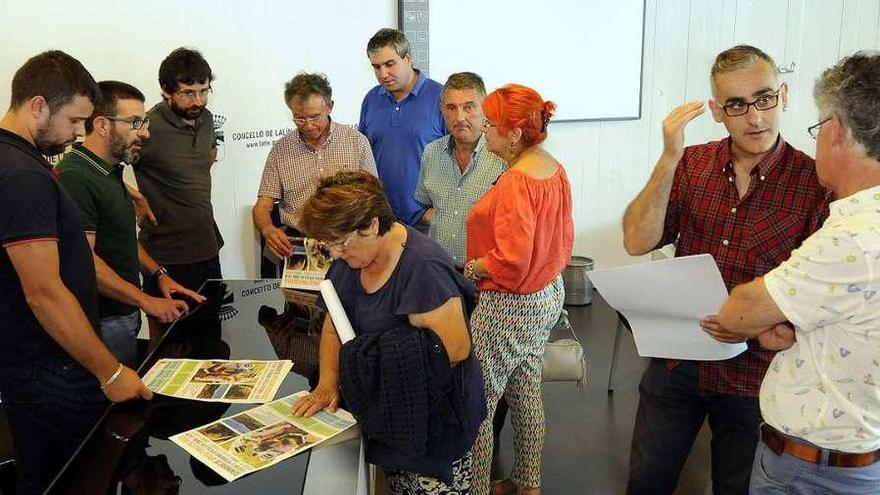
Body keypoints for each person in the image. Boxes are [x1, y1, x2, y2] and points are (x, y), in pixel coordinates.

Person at [621, 45, 830, 494]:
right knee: (646, 482)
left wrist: (772, 327)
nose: (755, 117)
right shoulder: (692, 164)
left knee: (736, 488)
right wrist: (668, 157)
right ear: (717, 111)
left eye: (764, 98)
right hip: (678, 358)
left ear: (784, 95)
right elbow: (637, 240)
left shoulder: (814, 183)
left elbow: (815, 297)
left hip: (756, 374)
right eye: (737, 105)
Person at [704, 52, 880, 494]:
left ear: (837, 131)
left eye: (819, 127)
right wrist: (788, 319)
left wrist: (768, 318)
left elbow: (738, 314)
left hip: (815, 470)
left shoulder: (853, 237)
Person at [0, 50, 152, 495]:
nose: (78, 135)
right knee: (73, 479)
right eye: (73, 120)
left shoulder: (19, 162)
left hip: (37, 366)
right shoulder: (21, 175)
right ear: (39, 105)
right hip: (49, 370)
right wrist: (110, 372)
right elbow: (43, 292)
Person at [290, 171, 485, 494]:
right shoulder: (349, 261)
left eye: (340, 243)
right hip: (391, 415)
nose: (334, 254)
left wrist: (368, 365)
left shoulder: (423, 268)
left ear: (372, 225)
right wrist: (327, 383)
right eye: (328, 245)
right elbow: (333, 326)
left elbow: (451, 352)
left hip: (434, 424)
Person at [465, 84, 574, 495]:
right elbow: (563, 239)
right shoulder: (552, 168)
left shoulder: (515, 181)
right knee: (525, 389)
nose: (483, 131)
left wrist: (476, 266)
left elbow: (511, 258)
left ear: (513, 134)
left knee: (478, 399)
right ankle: (528, 483)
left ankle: (474, 488)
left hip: (510, 302)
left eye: (490, 124)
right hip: (546, 294)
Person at [57, 80, 204, 367]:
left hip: (124, 316)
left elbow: (120, 239)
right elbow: (84, 260)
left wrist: (159, 275)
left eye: (145, 121)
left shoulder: (108, 171)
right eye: (135, 122)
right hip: (103, 321)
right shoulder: (75, 176)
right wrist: (144, 300)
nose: (145, 132)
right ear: (101, 125)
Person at [253, 72, 376, 260]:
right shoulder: (280, 150)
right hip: (301, 245)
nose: (308, 126)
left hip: (349, 241)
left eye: (315, 117)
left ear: (329, 107)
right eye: (299, 119)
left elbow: (373, 197)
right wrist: (268, 229)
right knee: (302, 292)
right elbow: (263, 205)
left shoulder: (356, 142)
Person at [134, 47, 222, 307]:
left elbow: (207, 156)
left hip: (207, 248)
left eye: (204, 91)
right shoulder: (147, 126)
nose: (198, 101)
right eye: (188, 93)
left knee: (213, 339)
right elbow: (104, 161)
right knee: (171, 346)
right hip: (166, 257)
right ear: (166, 90)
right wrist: (130, 193)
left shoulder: (205, 119)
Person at [415, 71, 505, 268]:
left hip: (486, 277)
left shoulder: (503, 157)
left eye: (468, 107)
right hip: (441, 273)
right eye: (451, 108)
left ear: (485, 108)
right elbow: (423, 204)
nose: (460, 117)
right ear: (442, 110)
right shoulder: (431, 153)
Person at [359, 28, 446, 230]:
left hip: (426, 224)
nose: (383, 74)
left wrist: (437, 212)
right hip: (381, 221)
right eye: (376, 67)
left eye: (390, 65)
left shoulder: (441, 97)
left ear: (408, 58)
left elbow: (463, 159)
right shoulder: (371, 99)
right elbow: (362, 156)